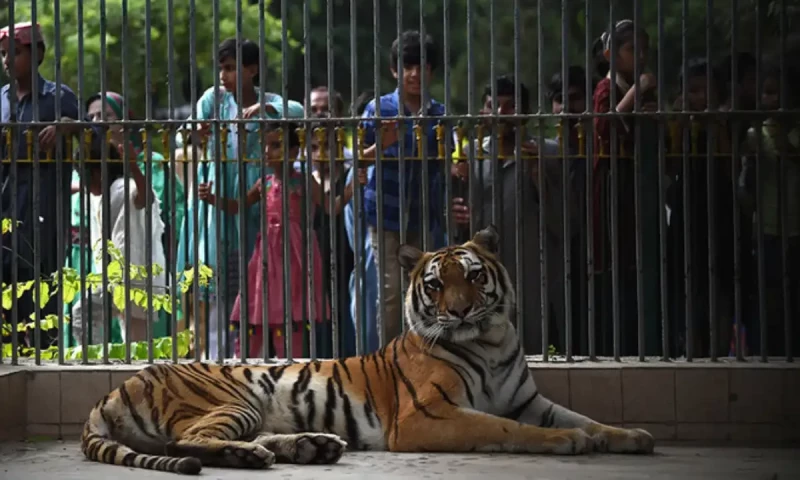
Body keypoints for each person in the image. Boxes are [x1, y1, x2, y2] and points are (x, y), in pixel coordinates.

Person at [175, 37, 282, 360]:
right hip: (217, 193)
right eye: (221, 68)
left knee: (253, 276)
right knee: (217, 277)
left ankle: (252, 354)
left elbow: (296, 112)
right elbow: (192, 127)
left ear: (252, 70)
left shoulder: (270, 100)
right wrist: (198, 130)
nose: (224, 75)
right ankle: (214, 355)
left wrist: (265, 109)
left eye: (232, 68)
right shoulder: (214, 100)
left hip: (253, 193)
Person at [452, 75, 571, 355]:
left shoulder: (548, 154)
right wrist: (456, 213)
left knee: (532, 346)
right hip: (481, 273)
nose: (502, 114)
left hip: (532, 270)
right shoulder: (469, 156)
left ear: (526, 113)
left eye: (510, 106)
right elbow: (456, 219)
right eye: (494, 105)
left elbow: (566, 221)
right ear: (483, 112)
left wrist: (539, 175)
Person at [64, 91, 186, 346]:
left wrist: (131, 164)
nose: (99, 122)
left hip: (137, 273)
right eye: (92, 117)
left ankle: (114, 367)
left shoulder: (126, 183)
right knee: (91, 317)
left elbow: (147, 197)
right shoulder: (98, 179)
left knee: (134, 337)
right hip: (105, 269)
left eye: (105, 115)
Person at [0, 22, 95, 349]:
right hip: (4, 218)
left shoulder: (59, 98)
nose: (7, 61)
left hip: (44, 218)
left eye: (14, 53)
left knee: (43, 307)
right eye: (2, 55)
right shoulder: (1, 100)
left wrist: (67, 127)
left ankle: (45, 365)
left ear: (37, 53)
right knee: (6, 309)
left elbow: (94, 138)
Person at [226, 100, 336, 359]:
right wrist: (211, 199)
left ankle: (291, 363)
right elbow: (236, 206)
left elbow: (331, 207)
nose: (267, 151)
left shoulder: (303, 181)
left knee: (292, 311)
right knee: (258, 309)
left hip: (295, 255)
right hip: (266, 255)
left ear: (294, 151)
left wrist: (355, 185)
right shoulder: (263, 184)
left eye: (275, 145)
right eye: (266, 145)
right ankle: (244, 363)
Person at [360, 30, 447, 343]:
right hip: (385, 213)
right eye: (406, 67)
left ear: (431, 70)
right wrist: (381, 145)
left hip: (425, 214)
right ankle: (389, 360)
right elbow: (358, 160)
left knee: (426, 292)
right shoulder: (378, 109)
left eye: (420, 66)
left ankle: (423, 356)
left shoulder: (439, 113)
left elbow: (446, 163)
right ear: (394, 71)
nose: (413, 74)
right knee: (391, 294)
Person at [591, 19, 658, 356]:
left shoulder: (638, 86)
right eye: (632, 49)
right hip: (612, 183)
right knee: (615, 261)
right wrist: (637, 92)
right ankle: (612, 346)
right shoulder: (608, 87)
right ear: (611, 55)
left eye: (643, 49)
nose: (641, 56)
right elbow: (603, 125)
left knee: (639, 260)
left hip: (638, 183)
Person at [70, 139, 167, 345]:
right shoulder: (102, 193)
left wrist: (132, 166)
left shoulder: (124, 187)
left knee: (136, 344)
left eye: (85, 174)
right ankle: (94, 366)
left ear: (98, 172)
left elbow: (145, 197)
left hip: (137, 279)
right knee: (82, 311)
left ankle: (107, 368)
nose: (84, 181)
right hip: (114, 279)